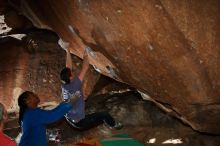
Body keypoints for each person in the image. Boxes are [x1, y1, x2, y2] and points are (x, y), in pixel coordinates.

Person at [60, 45, 123, 130]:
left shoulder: (65, 84)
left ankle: (84, 116)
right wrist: (86, 53)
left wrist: (67, 50)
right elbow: (85, 68)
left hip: (70, 117)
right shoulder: (75, 85)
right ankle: (113, 125)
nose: (73, 72)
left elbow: (68, 68)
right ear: (70, 77)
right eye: (71, 73)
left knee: (79, 108)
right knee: (104, 115)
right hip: (80, 122)